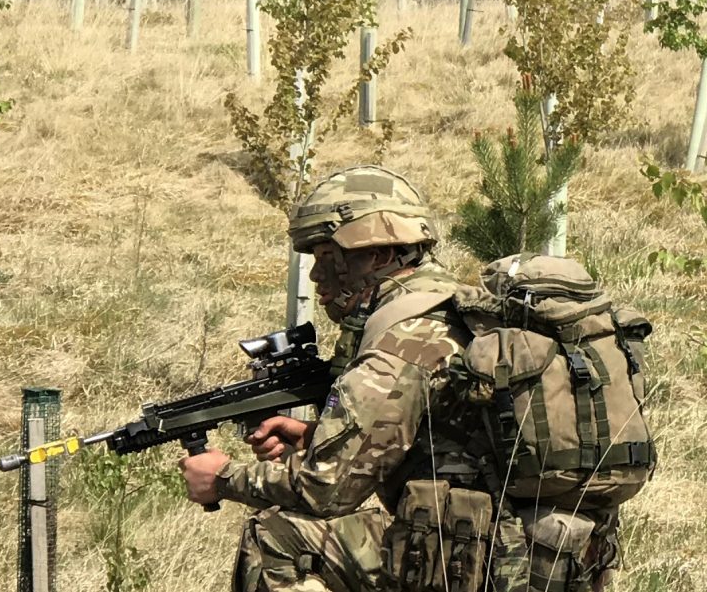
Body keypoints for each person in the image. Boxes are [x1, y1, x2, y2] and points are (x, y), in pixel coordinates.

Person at [178, 166, 621, 592]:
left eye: (328, 257)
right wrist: (316, 434)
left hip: (482, 564)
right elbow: (449, 443)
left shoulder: (400, 342)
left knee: (274, 536)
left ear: (377, 253)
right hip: (566, 556)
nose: (316, 276)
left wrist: (222, 478)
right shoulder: (460, 309)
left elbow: (326, 490)